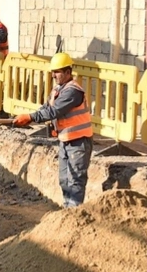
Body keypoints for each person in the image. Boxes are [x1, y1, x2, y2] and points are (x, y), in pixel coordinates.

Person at [12, 52, 93, 208]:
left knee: (75, 180)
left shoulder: (72, 91)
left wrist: (30, 117)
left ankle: (74, 213)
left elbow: (53, 111)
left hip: (79, 142)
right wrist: (29, 116)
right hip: (66, 140)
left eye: (57, 72)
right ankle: (67, 210)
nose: (53, 75)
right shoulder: (58, 89)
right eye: (52, 72)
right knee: (64, 179)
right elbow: (46, 108)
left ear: (68, 72)